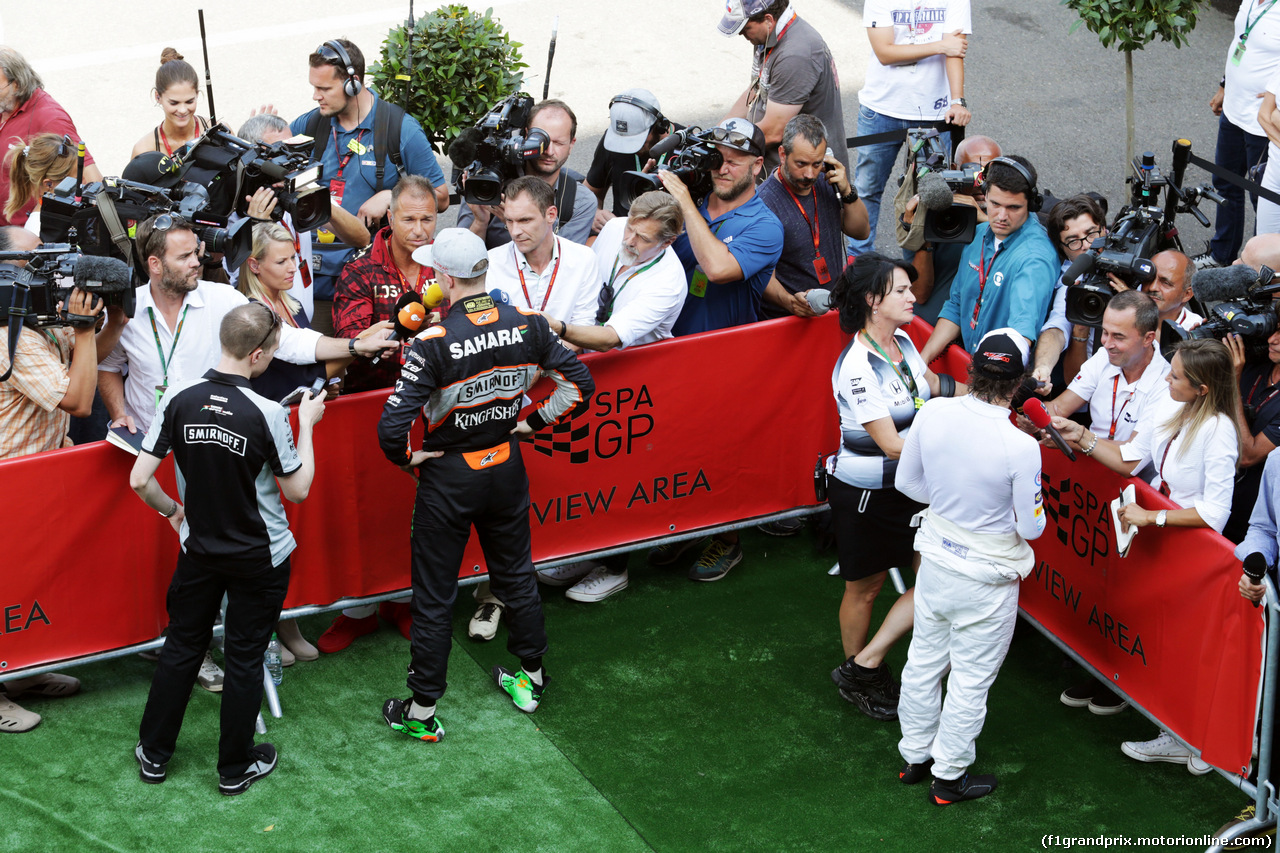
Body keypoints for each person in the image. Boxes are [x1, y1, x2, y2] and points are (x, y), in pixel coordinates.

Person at [376, 228, 595, 741]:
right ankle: (531, 679)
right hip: (505, 465)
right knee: (516, 573)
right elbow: (579, 385)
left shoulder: (431, 343)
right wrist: (531, 425)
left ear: (445, 278)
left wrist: (411, 457)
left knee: (434, 596)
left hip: (450, 476)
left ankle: (423, 713)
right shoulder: (528, 324)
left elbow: (390, 432)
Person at [130, 303, 325, 795]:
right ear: (257, 355)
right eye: (274, 352)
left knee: (182, 647)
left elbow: (139, 480)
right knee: (244, 657)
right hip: (260, 558)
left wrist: (174, 512)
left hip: (199, 551)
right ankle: (234, 769)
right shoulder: (268, 412)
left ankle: (153, 754)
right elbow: (298, 490)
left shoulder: (178, 397)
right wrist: (307, 426)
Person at [1052, 339, 1240, 773]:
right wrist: (1081, 435)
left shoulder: (1219, 431)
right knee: (1166, 643)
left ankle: (1193, 742)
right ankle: (1181, 737)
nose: (1166, 379)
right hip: (1169, 548)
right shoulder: (1174, 412)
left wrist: (1151, 518)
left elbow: (1215, 513)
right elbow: (1131, 459)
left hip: (1194, 556)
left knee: (1186, 648)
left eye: (1175, 376)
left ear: (1203, 389)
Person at [894, 328, 1045, 805]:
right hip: (986, 576)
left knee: (923, 662)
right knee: (969, 679)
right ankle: (949, 777)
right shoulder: (1022, 446)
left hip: (937, 560)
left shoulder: (935, 411)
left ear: (971, 371)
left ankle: (915, 757)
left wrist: (950, 502)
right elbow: (1034, 527)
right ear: (1018, 382)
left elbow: (908, 484)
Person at [99, 214, 396, 437]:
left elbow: (286, 340)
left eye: (195, 253)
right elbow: (108, 367)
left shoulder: (223, 298)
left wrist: (356, 345)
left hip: (208, 443)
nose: (196, 263)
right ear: (155, 264)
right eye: (185, 256)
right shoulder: (127, 311)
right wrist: (119, 413)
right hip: (148, 443)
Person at [825, 253, 963, 722]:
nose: (912, 297)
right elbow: (889, 444)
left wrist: (991, 396)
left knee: (931, 583)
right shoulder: (857, 366)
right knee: (865, 588)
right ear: (872, 300)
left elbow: (936, 386)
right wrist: (962, 452)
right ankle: (859, 671)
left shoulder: (902, 340)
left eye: (910, 289)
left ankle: (864, 664)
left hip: (915, 489)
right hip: (868, 495)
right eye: (901, 291)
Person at [534, 191, 688, 603]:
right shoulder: (619, 229)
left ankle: (616, 567)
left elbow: (609, 338)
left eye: (643, 238)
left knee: (623, 478)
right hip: (594, 375)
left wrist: (556, 326)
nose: (630, 240)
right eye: (631, 229)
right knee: (585, 470)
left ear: (668, 242)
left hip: (636, 384)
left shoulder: (668, 283)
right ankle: (586, 553)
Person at [648, 118, 783, 581]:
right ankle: (682, 532)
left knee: (719, 456)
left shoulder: (765, 224)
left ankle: (729, 541)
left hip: (723, 361)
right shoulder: (694, 194)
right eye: (719, 158)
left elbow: (719, 267)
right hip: (667, 349)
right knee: (671, 451)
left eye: (736, 160)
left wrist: (683, 201)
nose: (723, 168)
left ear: (757, 165)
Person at [1040, 291, 1169, 716]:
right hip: (1090, 491)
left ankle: (1123, 679)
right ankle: (1092, 661)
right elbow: (1062, 407)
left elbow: (1131, 461)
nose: (1106, 343)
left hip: (1134, 507)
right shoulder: (1103, 360)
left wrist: (1083, 438)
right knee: (1090, 578)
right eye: (1104, 333)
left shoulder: (1166, 388)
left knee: (1129, 596)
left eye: (1119, 336)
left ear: (1150, 337)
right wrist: (1040, 419)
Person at [0, 226, 94, 731]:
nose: (51, 266)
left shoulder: (35, 320)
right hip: (9, 480)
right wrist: (82, 331)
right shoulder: (8, 333)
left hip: (35, 477)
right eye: (37, 257)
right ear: (8, 269)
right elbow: (80, 401)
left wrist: (105, 315)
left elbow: (91, 361)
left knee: (28, 583)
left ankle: (21, 673)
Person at [290, 38, 448, 335]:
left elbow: (439, 198)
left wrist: (392, 195)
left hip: (375, 285)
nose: (315, 96)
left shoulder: (400, 129)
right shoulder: (312, 125)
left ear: (353, 84)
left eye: (324, 89)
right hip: (315, 283)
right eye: (314, 87)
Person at [849, 0, 972, 256]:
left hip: (933, 115)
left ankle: (916, 271)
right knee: (868, 188)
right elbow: (885, 53)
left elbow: (955, 51)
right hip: (882, 108)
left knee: (929, 195)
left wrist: (956, 101)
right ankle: (859, 264)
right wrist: (940, 44)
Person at [230, 113, 371, 322]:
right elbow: (239, 287)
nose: (288, 161)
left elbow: (361, 238)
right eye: (278, 153)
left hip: (302, 325)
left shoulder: (299, 188)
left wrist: (316, 198)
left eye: (291, 149)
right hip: (267, 331)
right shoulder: (237, 209)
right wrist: (256, 226)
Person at [918, 156, 1058, 364]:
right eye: (995, 204)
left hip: (1000, 375)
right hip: (972, 361)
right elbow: (956, 305)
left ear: (1031, 204)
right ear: (984, 196)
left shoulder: (1034, 259)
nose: (1001, 216)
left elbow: (1020, 333)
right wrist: (921, 362)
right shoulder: (980, 233)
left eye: (1013, 208)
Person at [333, 174, 440, 394]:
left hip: (437, 393)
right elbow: (347, 345)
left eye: (427, 219)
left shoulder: (448, 262)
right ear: (390, 218)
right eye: (409, 220)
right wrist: (399, 329)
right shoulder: (360, 270)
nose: (419, 231)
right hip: (374, 396)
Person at [756, 114, 869, 320]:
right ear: (782, 154)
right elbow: (761, 275)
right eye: (801, 163)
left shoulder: (828, 181)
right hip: (788, 318)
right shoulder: (765, 202)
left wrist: (847, 192)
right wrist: (790, 303)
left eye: (816, 164)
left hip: (831, 310)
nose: (809, 174)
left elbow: (861, 232)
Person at [719, 0, 849, 175]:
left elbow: (774, 131)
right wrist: (717, 132)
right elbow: (756, 90)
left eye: (744, 28)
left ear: (768, 20)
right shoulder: (767, 36)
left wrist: (722, 147)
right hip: (777, 167)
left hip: (806, 175)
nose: (741, 34)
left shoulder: (795, 55)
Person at [1195, 1, 1280, 269]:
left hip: (1263, 123)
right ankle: (1222, 254)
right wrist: (1225, 85)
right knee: (1225, 183)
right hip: (1234, 109)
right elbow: (1240, 42)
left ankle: (1260, 269)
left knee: (1262, 200)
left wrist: (1273, 92)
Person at [457, 99, 597, 248]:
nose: (549, 151)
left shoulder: (578, 201)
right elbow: (460, 259)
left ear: (571, 144)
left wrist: (513, 224)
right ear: (525, 136)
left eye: (559, 143)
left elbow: (563, 265)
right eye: (541, 141)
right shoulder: (490, 182)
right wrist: (480, 222)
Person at [904, 135, 1002, 326]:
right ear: (955, 169)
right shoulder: (936, 207)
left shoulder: (1011, 209)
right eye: (973, 172)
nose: (981, 182)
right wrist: (925, 232)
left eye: (991, 173)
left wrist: (984, 221)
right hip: (934, 324)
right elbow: (919, 294)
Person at [0, 46, 102, 228]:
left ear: (17, 84)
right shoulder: (5, 107)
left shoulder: (50, 118)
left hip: (25, 238)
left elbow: (91, 180)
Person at [482, 176, 601, 332]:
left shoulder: (583, 259)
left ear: (551, 215)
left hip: (564, 355)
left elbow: (583, 329)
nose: (515, 231)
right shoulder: (491, 263)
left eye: (525, 220)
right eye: (509, 221)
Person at [1030, 194, 1112, 389]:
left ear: (1105, 230)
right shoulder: (1070, 278)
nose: (1086, 245)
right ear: (1063, 250)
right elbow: (1056, 329)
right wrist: (1042, 367)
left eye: (1091, 233)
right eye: (1073, 241)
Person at [1222, 320, 1280, 542]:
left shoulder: (1238, 369)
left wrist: (1232, 379)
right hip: (1208, 493)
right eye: (1274, 330)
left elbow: (1248, 455)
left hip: (1248, 522)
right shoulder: (1256, 358)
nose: (1271, 340)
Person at [584, 89, 671, 229]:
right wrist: (594, 213)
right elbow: (589, 192)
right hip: (621, 232)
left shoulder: (686, 146)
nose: (628, 147)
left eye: (637, 139)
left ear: (659, 127)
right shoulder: (613, 140)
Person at [130, 49, 209, 161]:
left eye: (189, 101)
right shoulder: (144, 150)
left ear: (197, 94)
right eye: (174, 103)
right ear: (158, 97)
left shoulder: (219, 131)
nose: (182, 110)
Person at [4, 132, 75, 239]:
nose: (84, 182)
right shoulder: (38, 229)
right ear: (49, 184)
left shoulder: (60, 215)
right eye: (76, 180)